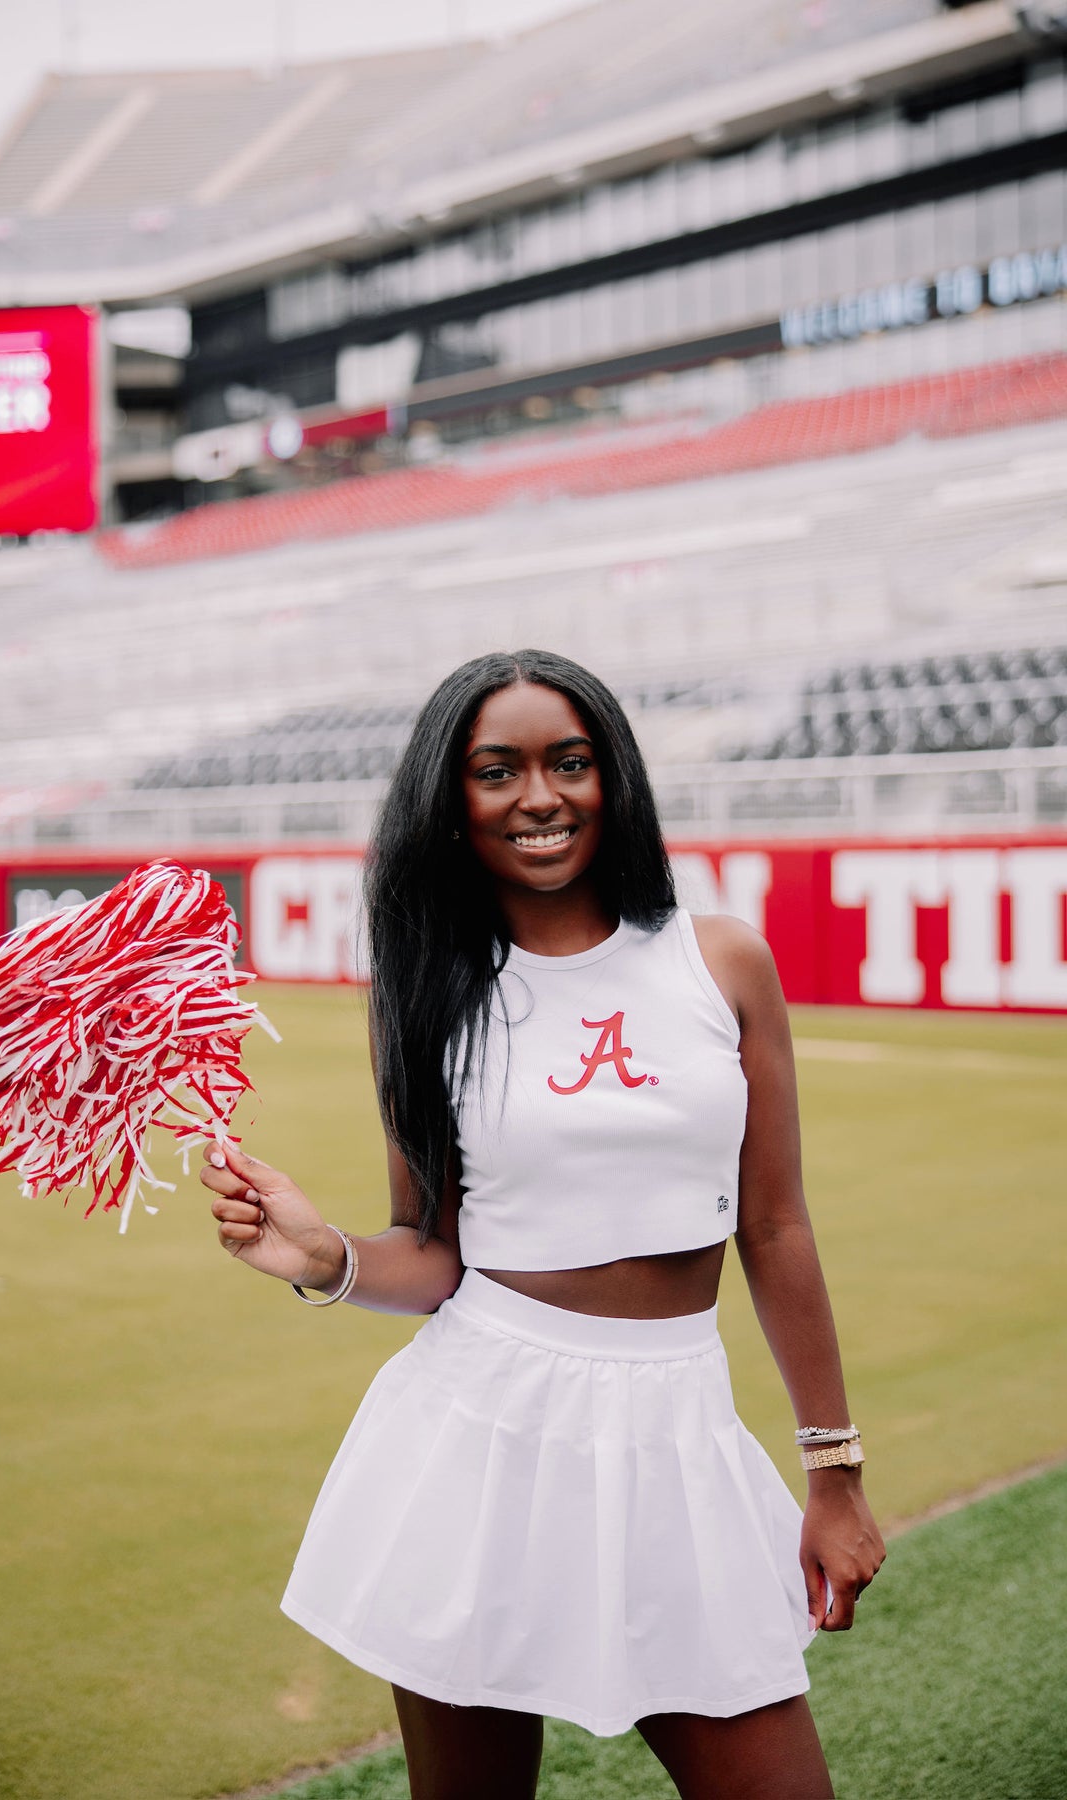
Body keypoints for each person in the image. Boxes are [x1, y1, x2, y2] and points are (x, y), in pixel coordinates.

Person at [202, 649, 885, 1800]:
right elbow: (435, 1255)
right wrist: (323, 1260)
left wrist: (835, 1472)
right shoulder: (426, 994)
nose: (539, 796)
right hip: (480, 1432)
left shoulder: (721, 960)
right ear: (449, 797)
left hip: (679, 1427)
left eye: (570, 762)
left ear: (611, 775)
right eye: (496, 769)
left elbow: (773, 1230)